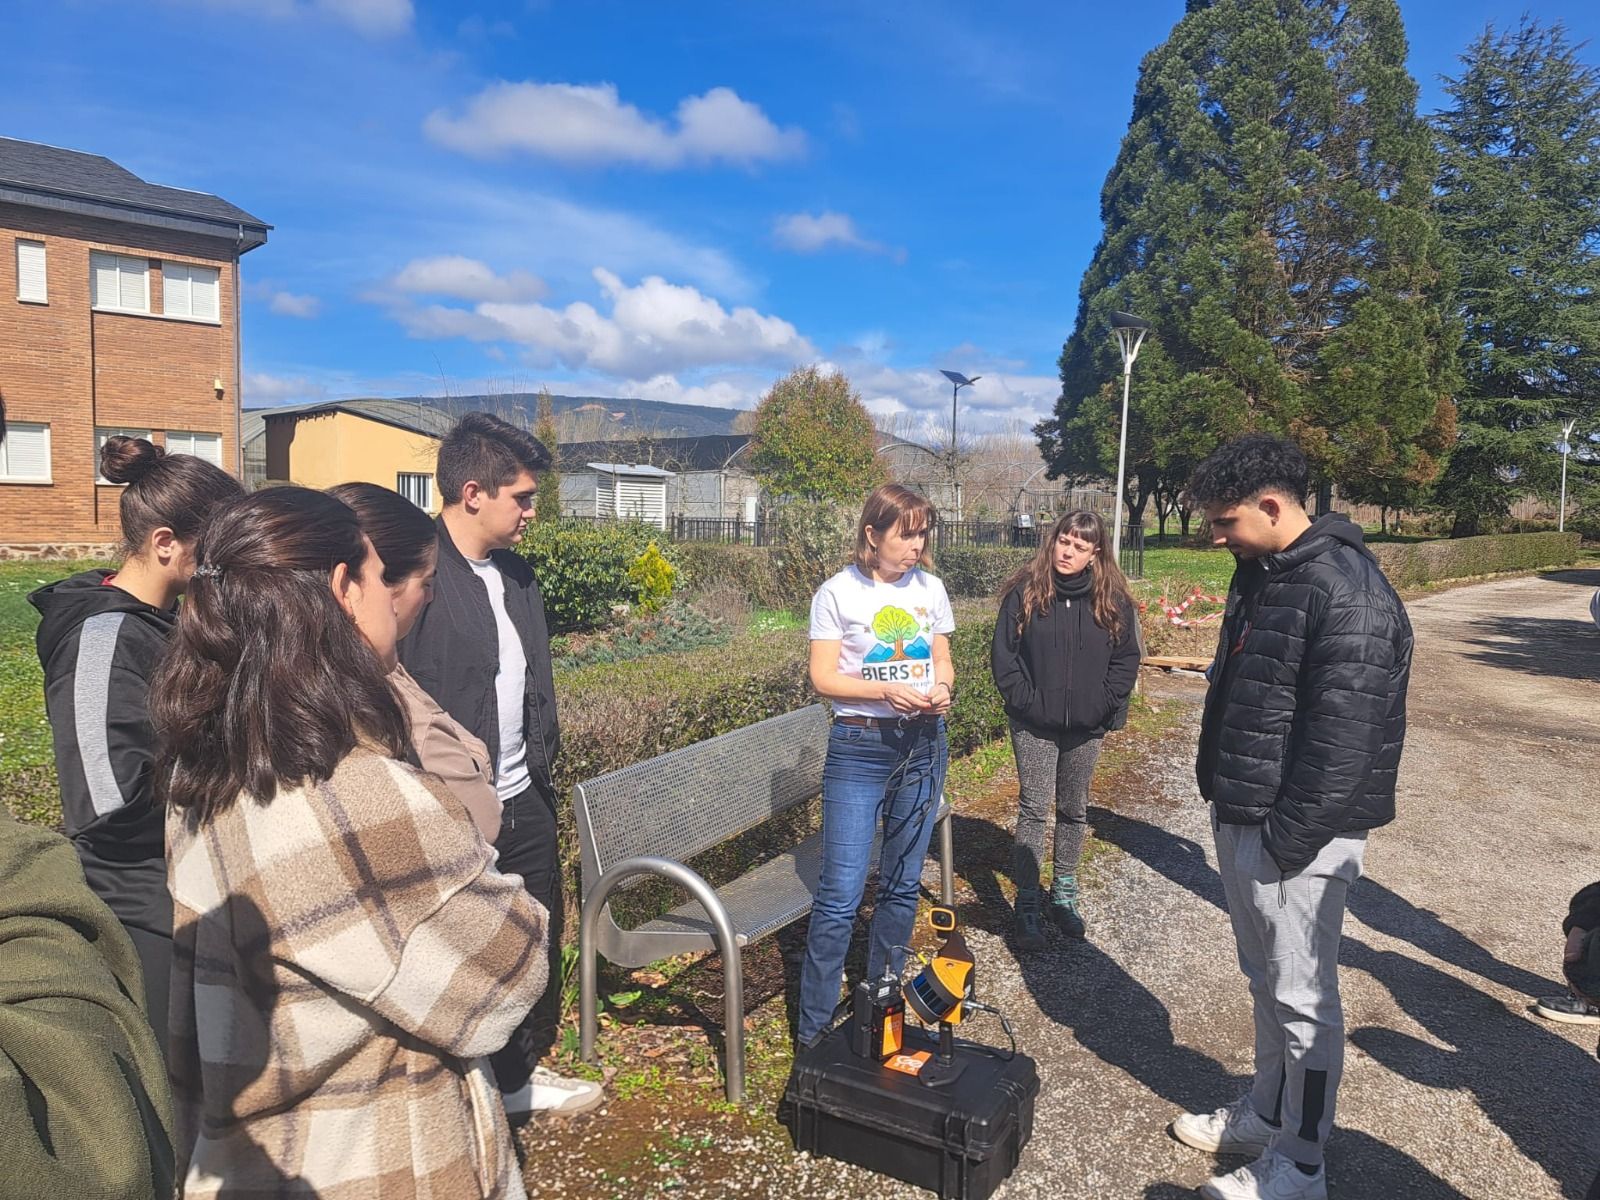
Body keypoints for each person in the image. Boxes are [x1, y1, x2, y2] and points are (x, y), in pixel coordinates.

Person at [153, 486, 548, 1199]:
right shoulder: (353, 793)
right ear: (343, 587)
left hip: (248, 1153)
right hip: (376, 1161)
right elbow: (509, 971)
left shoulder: (201, 765)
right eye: (376, 573)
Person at [1170, 435, 1413, 1200]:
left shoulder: (1350, 593)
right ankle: (1264, 1116)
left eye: (1226, 520)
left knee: (1304, 1003)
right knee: (1266, 985)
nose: (1217, 535)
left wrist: (1282, 845)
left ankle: (1300, 1164)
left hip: (1298, 838)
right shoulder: (1265, 571)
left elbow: (1342, 748)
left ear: (1273, 506)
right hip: (1245, 814)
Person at [398, 412, 601, 1118]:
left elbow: (531, 685)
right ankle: (449, 1092)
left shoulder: (518, 575)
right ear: (473, 491)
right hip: (450, 811)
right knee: (454, 951)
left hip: (526, 795)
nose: (532, 512)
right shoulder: (414, 574)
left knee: (530, 940)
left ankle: (513, 1083)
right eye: (522, 497)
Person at [29, 435, 241, 1056]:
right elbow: (107, 796)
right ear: (165, 543)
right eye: (214, 553)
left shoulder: (173, 622)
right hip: (140, 901)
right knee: (164, 1087)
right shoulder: (102, 639)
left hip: (186, 880)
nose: (220, 570)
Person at [798, 483, 955, 1048]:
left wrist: (940, 687)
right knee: (840, 894)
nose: (916, 545)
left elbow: (941, 656)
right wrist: (881, 694)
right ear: (873, 534)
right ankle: (813, 1036)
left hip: (923, 744)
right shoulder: (838, 593)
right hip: (859, 749)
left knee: (902, 885)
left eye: (922, 533)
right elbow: (824, 678)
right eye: (905, 533)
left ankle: (880, 1010)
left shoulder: (931, 589)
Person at [990, 509, 1140, 949]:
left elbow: (1126, 659)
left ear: (1095, 553)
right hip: (1034, 725)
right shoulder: (1026, 592)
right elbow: (1005, 658)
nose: (1068, 551)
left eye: (1080, 545)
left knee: (1074, 809)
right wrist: (1029, 703)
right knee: (1034, 808)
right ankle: (1029, 901)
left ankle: (1065, 893)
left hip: (1086, 728)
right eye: (1064, 541)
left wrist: (1102, 703)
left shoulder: (1112, 600)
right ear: (1052, 541)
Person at [329, 481, 501, 842]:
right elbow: (483, 819)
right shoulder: (383, 703)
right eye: (424, 583)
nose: (431, 597)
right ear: (351, 585)